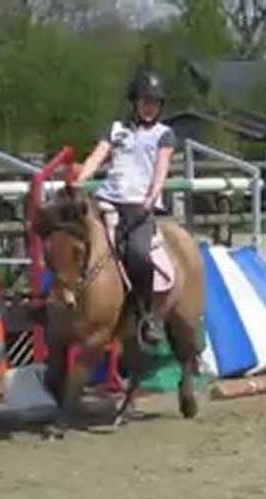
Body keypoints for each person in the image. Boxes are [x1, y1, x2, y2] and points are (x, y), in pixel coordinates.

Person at [73, 70, 175, 344]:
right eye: (146, 101)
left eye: (155, 102)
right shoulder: (116, 129)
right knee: (75, 241)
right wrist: (80, 181)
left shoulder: (163, 134)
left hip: (139, 205)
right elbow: (97, 157)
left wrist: (152, 197)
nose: (150, 107)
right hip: (108, 200)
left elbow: (161, 168)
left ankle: (146, 316)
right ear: (135, 101)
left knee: (140, 255)